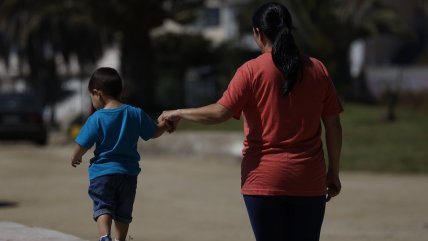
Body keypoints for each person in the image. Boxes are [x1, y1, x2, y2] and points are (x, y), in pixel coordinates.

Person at [159, 2, 343, 241]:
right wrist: (334, 172)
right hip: (309, 178)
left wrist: (179, 112)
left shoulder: (250, 71)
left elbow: (220, 113)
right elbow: (333, 125)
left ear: (258, 33)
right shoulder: (318, 69)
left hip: (263, 179)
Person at [70, 67, 171, 241]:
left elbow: (82, 144)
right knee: (124, 210)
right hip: (128, 173)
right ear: (120, 91)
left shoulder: (97, 118)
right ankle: (120, 239)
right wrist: (165, 124)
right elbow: (153, 132)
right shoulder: (135, 113)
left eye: (91, 96)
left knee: (103, 206)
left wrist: (76, 157)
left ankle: (104, 236)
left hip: (102, 173)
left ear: (97, 93)